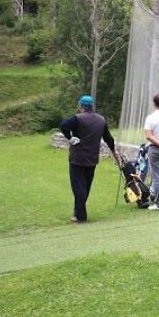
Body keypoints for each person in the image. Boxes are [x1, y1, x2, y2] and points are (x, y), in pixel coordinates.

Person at [60, 95, 120, 223]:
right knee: (86, 186)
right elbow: (108, 138)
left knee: (78, 187)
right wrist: (114, 152)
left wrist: (70, 138)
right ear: (92, 106)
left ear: (81, 106)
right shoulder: (101, 120)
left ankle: (81, 216)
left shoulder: (77, 118)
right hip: (92, 158)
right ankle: (77, 213)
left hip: (77, 158)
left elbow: (64, 126)